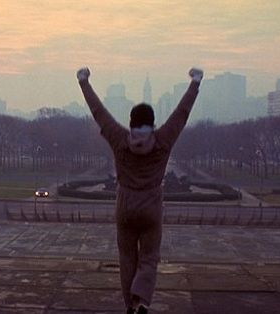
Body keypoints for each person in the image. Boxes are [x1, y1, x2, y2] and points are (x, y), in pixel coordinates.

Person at [77, 67, 203, 314]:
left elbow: (98, 112)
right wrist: (195, 83)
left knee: (127, 259)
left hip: (125, 207)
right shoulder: (163, 139)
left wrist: (84, 83)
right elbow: (182, 113)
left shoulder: (119, 138)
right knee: (149, 258)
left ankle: (129, 306)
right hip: (151, 208)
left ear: (131, 122)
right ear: (153, 122)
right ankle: (142, 300)